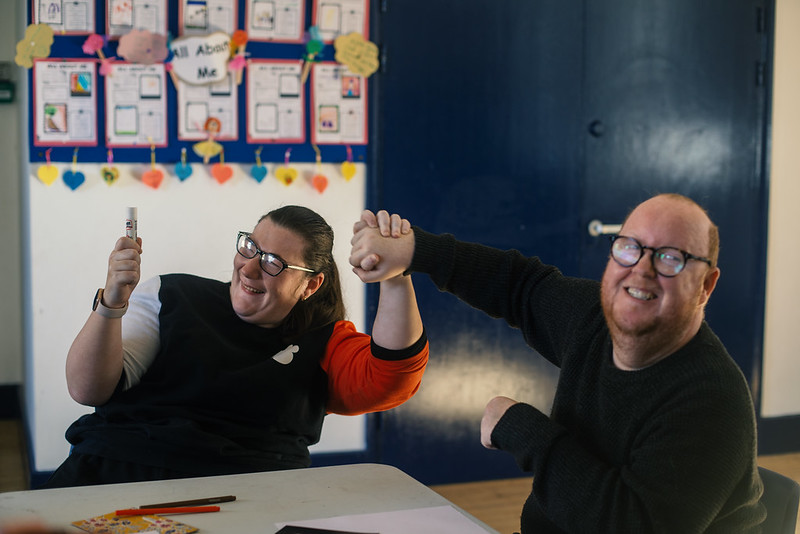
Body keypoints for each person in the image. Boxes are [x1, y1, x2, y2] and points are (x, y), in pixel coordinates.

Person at [349, 194, 765, 533]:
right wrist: (416, 250)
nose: (641, 270)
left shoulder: (711, 400)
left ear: (706, 286)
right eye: (629, 248)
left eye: (671, 257)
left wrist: (520, 427)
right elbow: (519, 285)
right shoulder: (595, 320)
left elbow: (629, 524)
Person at [42, 205, 427, 488]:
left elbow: (391, 377)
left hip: (250, 495)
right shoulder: (172, 293)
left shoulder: (323, 338)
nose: (250, 267)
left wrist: (396, 275)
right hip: (118, 470)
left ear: (310, 286)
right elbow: (87, 389)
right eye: (250, 247)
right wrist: (111, 302)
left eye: (274, 262)